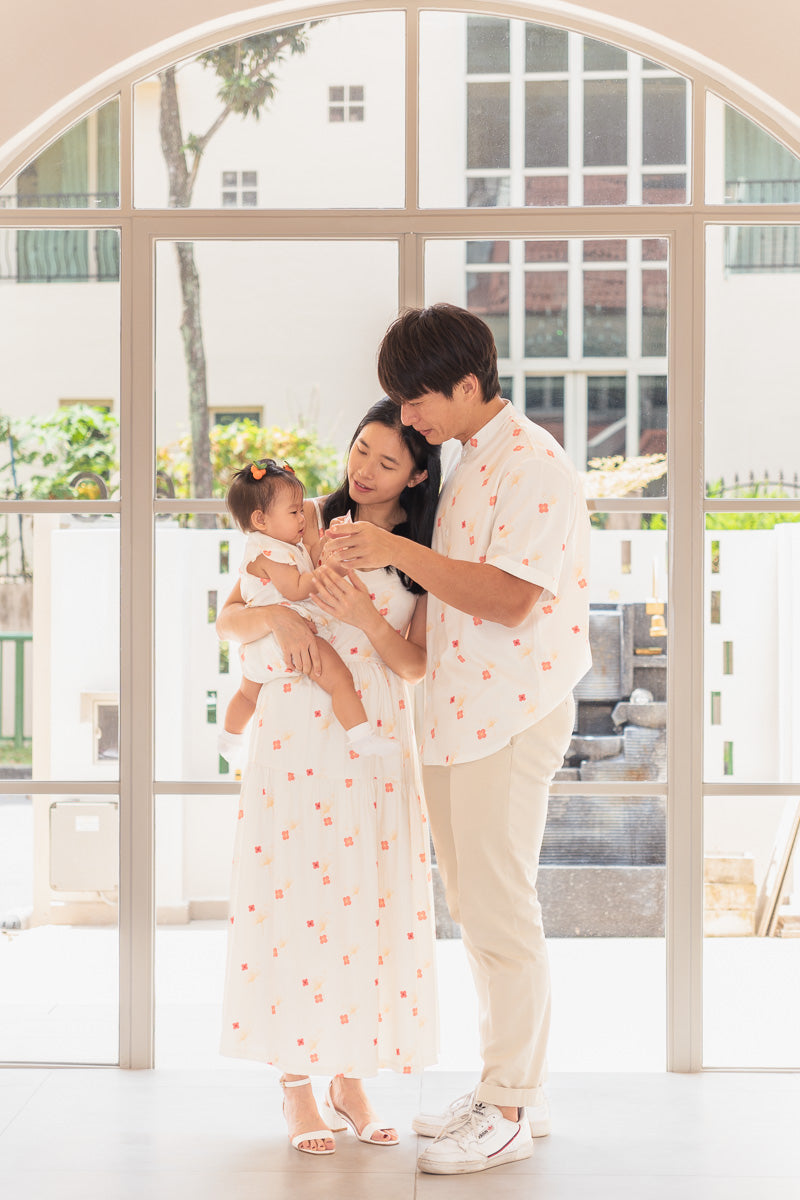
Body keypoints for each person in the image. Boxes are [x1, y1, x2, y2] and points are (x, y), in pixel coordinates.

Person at [326, 304, 592, 1176]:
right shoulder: (476, 460)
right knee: (480, 911)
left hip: (506, 714)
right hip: (457, 712)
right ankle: (512, 1089)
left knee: (500, 910)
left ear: (469, 385)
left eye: (417, 400)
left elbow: (511, 598)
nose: (407, 418)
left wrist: (393, 551)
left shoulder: (534, 465)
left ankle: (509, 1104)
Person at [216, 399, 442, 1155]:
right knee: (295, 901)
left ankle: (350, 1078)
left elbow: (415, 664)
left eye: (387, 460)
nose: (365, 470)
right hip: (294, 737)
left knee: (363, 908)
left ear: (416, 474)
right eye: (360, 450)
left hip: (370, 737)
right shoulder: (307, 519)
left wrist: (367, 618)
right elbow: (228, 619)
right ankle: (296, 1086)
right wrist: (278, 620)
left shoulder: (420, 548)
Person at [217, 457, 398, 769]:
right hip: (282, 640)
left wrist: (326, 543)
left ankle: (230, 739)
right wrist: (333, 567)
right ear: (260, 519)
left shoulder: (279, 545)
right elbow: (297, 589)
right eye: (294, 512)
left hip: (264, 642)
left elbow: (305, 565)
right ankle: (361, 735)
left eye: (301, 510)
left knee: (248, 695)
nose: (303, 518)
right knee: (339, 679)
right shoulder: (269, 553)